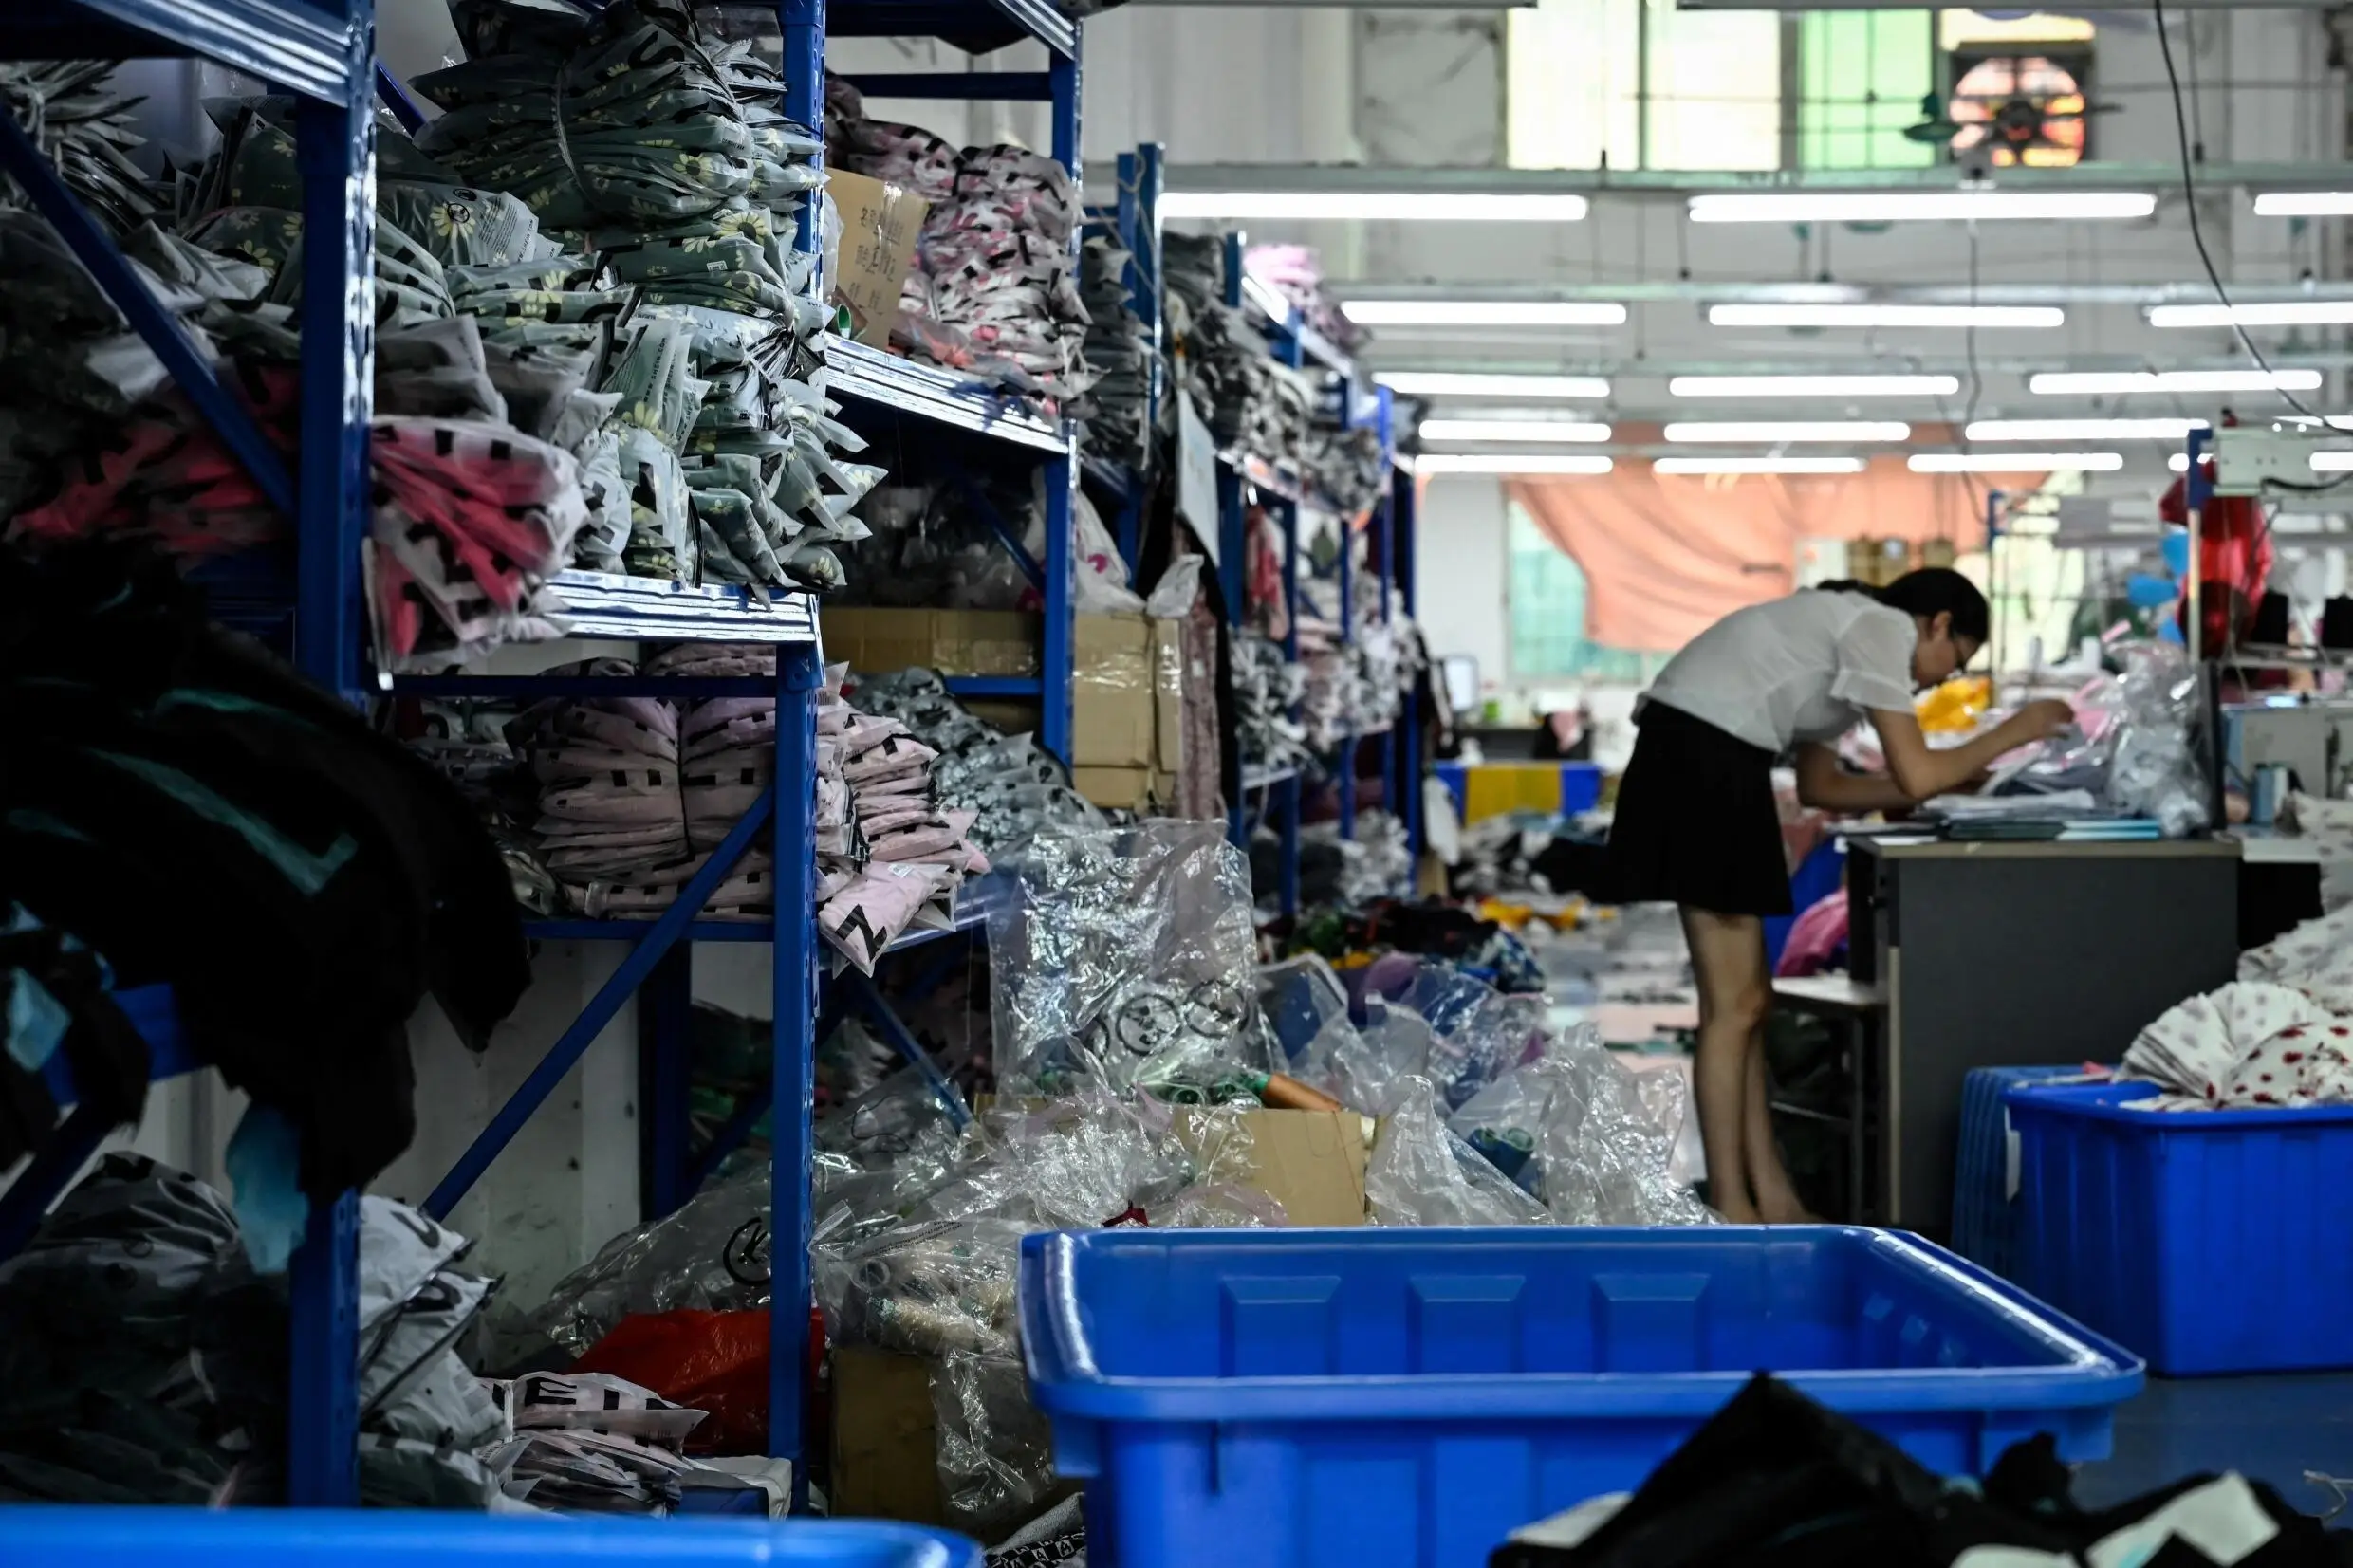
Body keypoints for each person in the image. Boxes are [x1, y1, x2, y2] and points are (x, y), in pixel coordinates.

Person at [1604, 570, 2071, 1224]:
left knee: (1748, 1003)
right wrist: (2018, 728)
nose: (1942, 680)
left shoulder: (1842, 640)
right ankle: (1735, 1208)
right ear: (1935, 622)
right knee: (1732, 1007)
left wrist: (1949, 783)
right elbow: (1916, 769)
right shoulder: (1879, 627)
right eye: (1954, 660)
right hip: (1703, 760)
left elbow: (1825, 787)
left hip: (1705, 756)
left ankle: (1771, 1196)